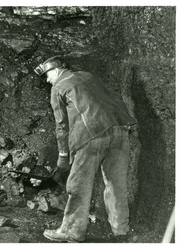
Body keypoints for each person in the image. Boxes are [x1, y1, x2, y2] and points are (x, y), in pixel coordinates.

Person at [34, 56, 137, 242]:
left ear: (56, 70)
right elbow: (112, 97)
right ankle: (121, 230)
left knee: (78, 185)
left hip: (91, 136)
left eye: (47, 75)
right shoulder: (88, 76)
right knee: (116, 184)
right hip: (120, 130)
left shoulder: (58, 87)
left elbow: (61, 126)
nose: (47, 80)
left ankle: (72, 231)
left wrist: (63, 156)